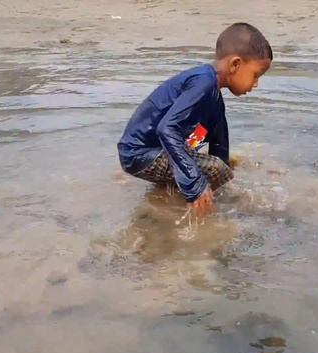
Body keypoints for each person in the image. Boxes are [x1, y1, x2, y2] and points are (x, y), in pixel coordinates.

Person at [117, 23, 273, 217]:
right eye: (256, 75)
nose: (256, 84)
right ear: (235, 64)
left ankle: (167, 198)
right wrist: (195, 184)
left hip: (155, 151)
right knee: (216, 170)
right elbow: (166, 129)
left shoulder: (214, 99)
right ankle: (185, 211)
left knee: (220, 166)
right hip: (139, 153)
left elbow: (219, 147)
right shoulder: (203, 83)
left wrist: (222, 182)